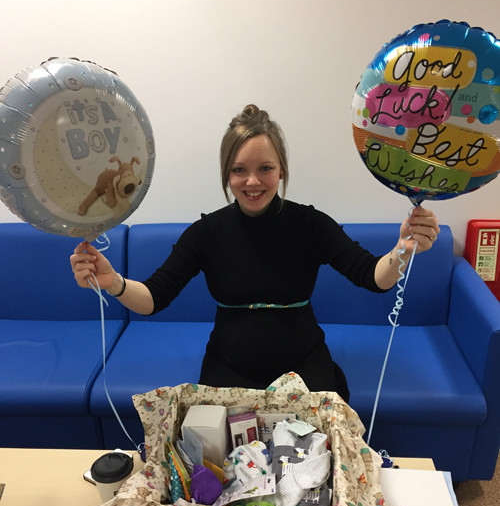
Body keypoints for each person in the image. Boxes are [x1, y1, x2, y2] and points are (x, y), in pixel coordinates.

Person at [70, 104, 440, 402]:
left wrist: (402, 250)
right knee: (217, 462)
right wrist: (113, 282)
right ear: (226, 174)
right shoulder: (205, 233)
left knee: (314, 460)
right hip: (228, 366)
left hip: (303, 363)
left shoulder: (311, 224)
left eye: (265, 168)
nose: (252, 181)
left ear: (281, 171)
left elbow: (372, 277)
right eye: (239, 170)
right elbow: (154, 297)